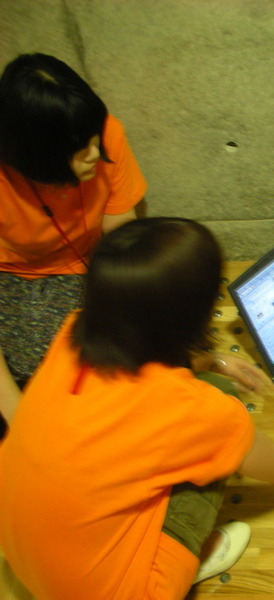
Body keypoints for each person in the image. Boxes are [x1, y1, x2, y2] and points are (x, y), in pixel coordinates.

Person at [0, 218, 274, 600]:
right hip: (120, 593)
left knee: (212, 399)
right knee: (219, 447)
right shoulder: (196, 411)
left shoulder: (73, 331)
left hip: (21, 551)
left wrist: (214, 361)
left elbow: (144, 353)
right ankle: (193, 559)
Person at [0, 52, 147, 398]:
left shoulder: (104, 132)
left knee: (135, 349)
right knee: (52, 372)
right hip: (16, 274)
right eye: (78, 148)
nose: (94, 153)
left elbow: (121, 232)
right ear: (31, 154)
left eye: (94, 138)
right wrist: (17, 411)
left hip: (89, 262)